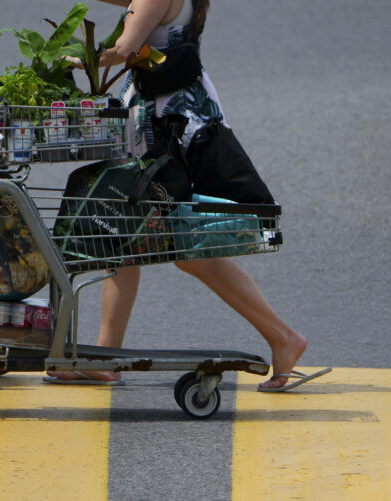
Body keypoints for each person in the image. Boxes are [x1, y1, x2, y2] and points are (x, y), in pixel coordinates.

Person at [45, 0, 312, 391]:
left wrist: (64, 61)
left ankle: (283, 337)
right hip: (171, 117)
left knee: (183, 246)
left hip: (169, 130)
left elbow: (124, 51)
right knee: (129, 237)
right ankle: (106, 356)